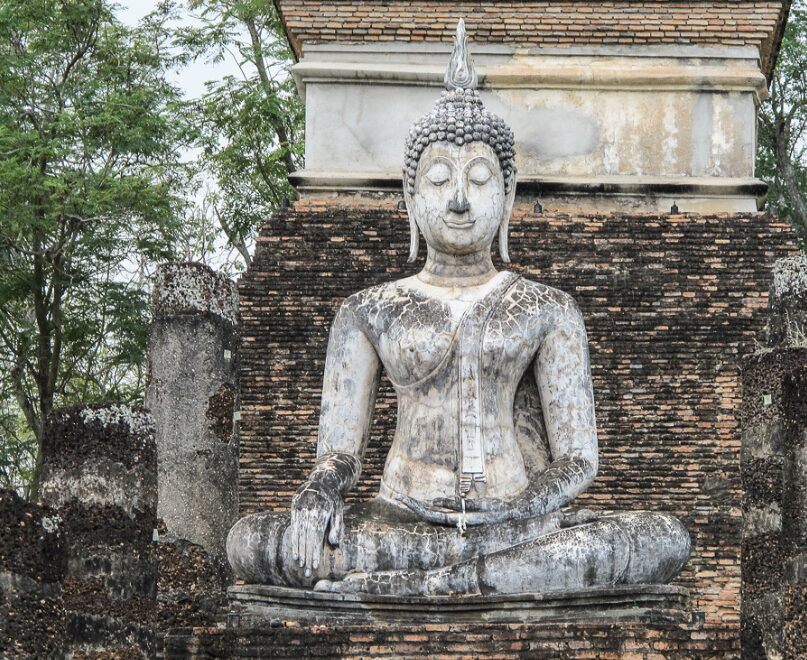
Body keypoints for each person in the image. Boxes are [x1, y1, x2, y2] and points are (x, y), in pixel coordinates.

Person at [226, 20, 690, 596]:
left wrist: (519, 510)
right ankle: (465, 576)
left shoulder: (547, 308)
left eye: (480, 178)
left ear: (508, 195)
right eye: (440, 178)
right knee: (253, 542)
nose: (460, 199)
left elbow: (578, 460)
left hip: (515, 523)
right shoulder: (369, 309)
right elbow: (341, 452)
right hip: (400, 523)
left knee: (662, 538)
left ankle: (425, 586)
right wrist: (319, 490)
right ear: (411, 196)